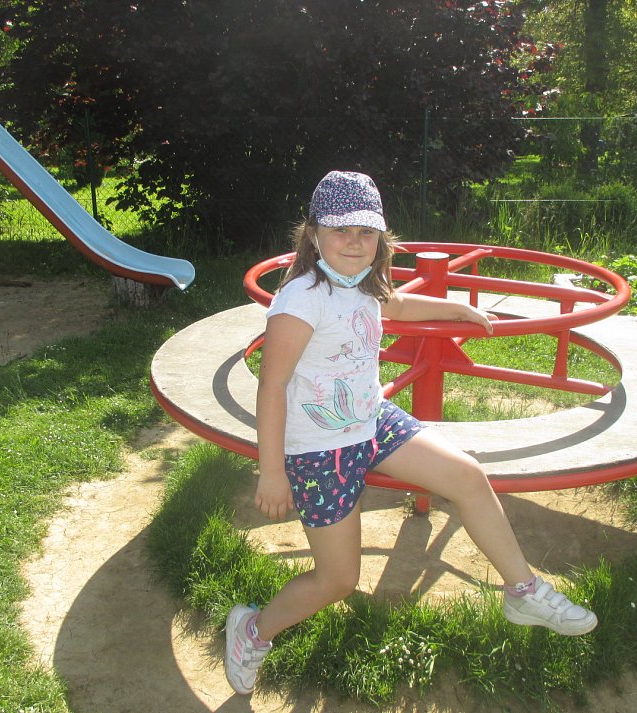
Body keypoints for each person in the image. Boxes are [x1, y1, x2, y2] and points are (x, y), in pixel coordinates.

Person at [225, 171, 597, 695]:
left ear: (381, 237)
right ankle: (252, 631)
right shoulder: (302, 299)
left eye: (366, 232)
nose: (354, 242)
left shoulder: (361, 283)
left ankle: (523, 591)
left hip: (372, 420)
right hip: (319, 449)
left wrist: (456, 308)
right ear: (312, 235)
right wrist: (271, 471)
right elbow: (272, 385)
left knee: (467, 476)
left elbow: (393, 305)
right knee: (338, 580)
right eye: (340, 230)